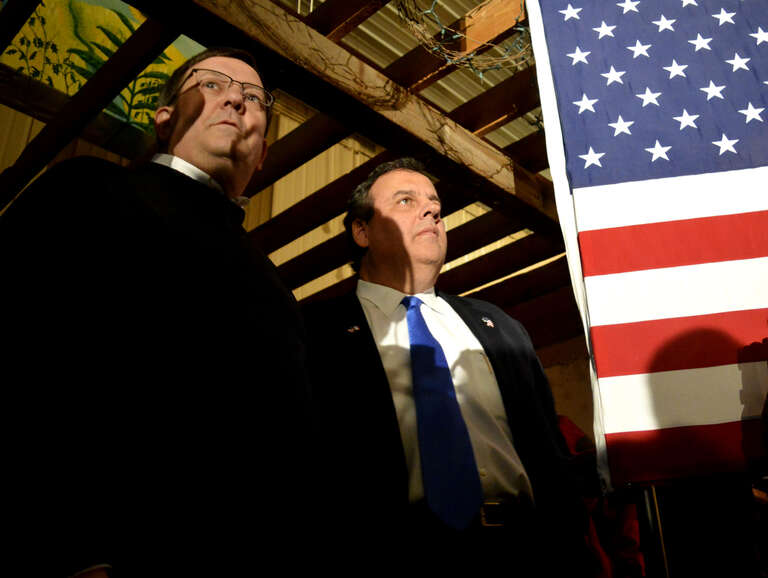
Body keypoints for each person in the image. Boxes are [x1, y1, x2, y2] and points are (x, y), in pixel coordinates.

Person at [1, 47, 310, 576]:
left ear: (262, 154)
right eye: (211, 84)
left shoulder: (276, 289)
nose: (236, 99)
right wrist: (66, 546)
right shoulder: (86, 190)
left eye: (255, 97)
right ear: (164, 118)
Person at [305, 158, 593, 571]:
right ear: (361, 230)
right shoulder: (312, 333)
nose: (432, 211)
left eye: (435, 204)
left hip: (528, 551)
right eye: (406, 201)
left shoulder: (499, 326)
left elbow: (549, 449)